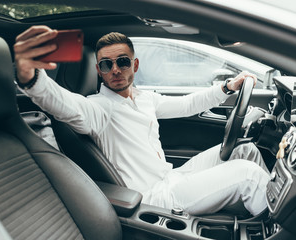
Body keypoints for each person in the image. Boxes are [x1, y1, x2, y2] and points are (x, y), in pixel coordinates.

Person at [14, 25, 270, 216]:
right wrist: (32, 78)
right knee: (247, 175)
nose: (115, 69)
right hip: (154, 197)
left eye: (122, 62)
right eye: (106, 64)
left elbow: (187, 104)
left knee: (244, 150)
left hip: (173, 177)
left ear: (134, 65)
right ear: (99, 71)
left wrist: (227, 87)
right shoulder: (99, 107)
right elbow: (65, 105)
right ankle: (285, 227)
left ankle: (269, 212)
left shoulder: (145, 98)